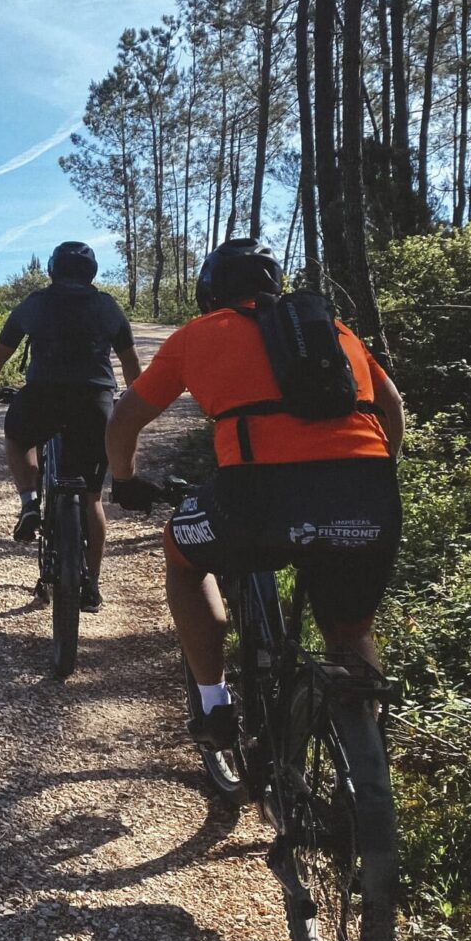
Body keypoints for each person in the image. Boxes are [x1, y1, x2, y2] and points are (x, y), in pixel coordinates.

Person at [104, 238, 405, 747]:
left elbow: (126, 418)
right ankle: (367, 757)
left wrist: (126, 478)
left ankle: (213, 704)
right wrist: (370, 479)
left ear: (210, 292)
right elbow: (392, 407)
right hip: (368, 492)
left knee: (181, 554)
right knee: (350, 632)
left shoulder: (198, 334)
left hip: (257, 499)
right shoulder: (334, 331)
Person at [0, 241, 143, 611]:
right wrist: (134, 403)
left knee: (17, 438)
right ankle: (92, 586)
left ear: (53, 270)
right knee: (91, 497)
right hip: (94, 402)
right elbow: (132, 367)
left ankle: (29, 501)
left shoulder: (33, 304)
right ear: (91, 273)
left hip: (42, 397)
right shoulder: (107, 307)